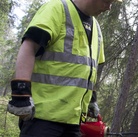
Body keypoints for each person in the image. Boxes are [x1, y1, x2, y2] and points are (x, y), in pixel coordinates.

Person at [7, 0, 122, 136]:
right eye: (108, 1)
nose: (109, 7)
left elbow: (88, 69)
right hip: (42, 119)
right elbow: (29, 47)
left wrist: (91, 99)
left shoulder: (96, 28)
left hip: (73, 122)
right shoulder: (57, 9)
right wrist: (21, 93)